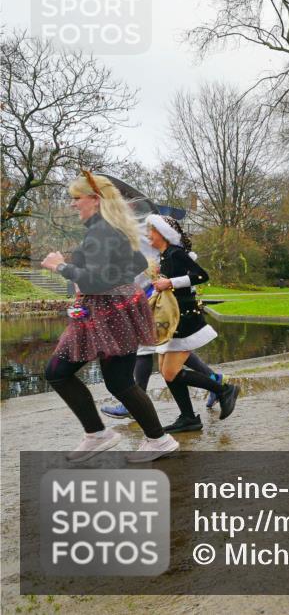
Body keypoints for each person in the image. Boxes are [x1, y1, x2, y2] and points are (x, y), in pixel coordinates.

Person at [40, 171, 178, 462]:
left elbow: (95, 281)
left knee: (57, 372)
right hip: (117, 310)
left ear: (95, 199)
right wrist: (117, 284)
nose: (73, 205)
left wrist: (60, 267)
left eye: (77, 199)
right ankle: (157, 439)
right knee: (119, 381)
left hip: (106, 312)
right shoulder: (110, 227)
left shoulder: (101, 231)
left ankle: (99, 434)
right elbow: (138, 262)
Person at [147, 214, 240, 432]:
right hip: (173, 319)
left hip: (185, 319)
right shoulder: (164, 256)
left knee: (170, 372)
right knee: (164, 370)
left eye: (151, 230)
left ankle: (224, 390)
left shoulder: (175, 253)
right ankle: (188, 417)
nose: (147, 234)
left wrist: (170, 282)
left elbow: (201, 275)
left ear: (162, 233)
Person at [101, 270, 229, 419]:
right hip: (150, 297)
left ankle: (134, 405)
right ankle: (213, 379)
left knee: (145, 349)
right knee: (171, 349)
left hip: (153, 299)